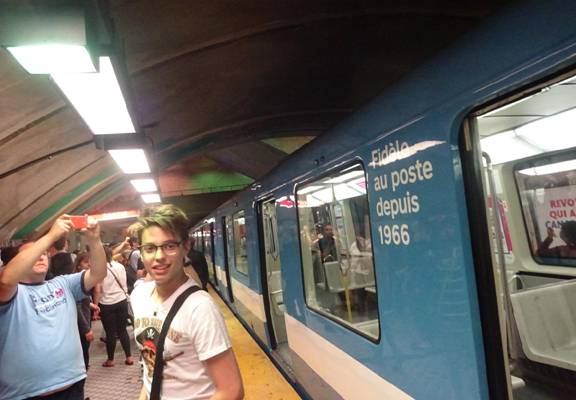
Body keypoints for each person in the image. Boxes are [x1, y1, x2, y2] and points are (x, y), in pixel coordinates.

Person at [129, 204, 244, 400]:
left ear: (186, 247)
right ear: (141, 252)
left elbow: (232, 390)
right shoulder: (139, 295)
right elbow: (152, 371)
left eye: (169, 246)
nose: (159, 257)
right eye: (149, 248)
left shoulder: (200, 308)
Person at [0, 215, 106, 399]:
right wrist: (50, 236)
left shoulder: (63, 284)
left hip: (73, 386)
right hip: (25, 395)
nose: (41, 255)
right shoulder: (10, 293)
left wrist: (95, 240)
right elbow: (6, 280)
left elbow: (98, 273)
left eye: (43, 252)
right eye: (34, 253)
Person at [93, 246, 134, 367]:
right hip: (121, 300)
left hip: (107, 304)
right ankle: (129, 357)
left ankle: (110, 360)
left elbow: (98, 290)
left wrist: (95, 306)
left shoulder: (99, 269)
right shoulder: (120, 266)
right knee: (123, 330)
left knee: (110, 333)